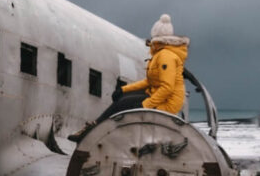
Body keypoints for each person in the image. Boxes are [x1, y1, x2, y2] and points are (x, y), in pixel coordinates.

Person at [68, 14, 190, 142]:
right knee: (123, 98)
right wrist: (124, 89)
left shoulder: (165, 56)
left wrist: (146, 104)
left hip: (168, 103)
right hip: (160, 96)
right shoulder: (160, 54)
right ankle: (96, 129)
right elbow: (150, 82)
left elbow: (167, 87)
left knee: (122, 104)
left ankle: (91, 131)